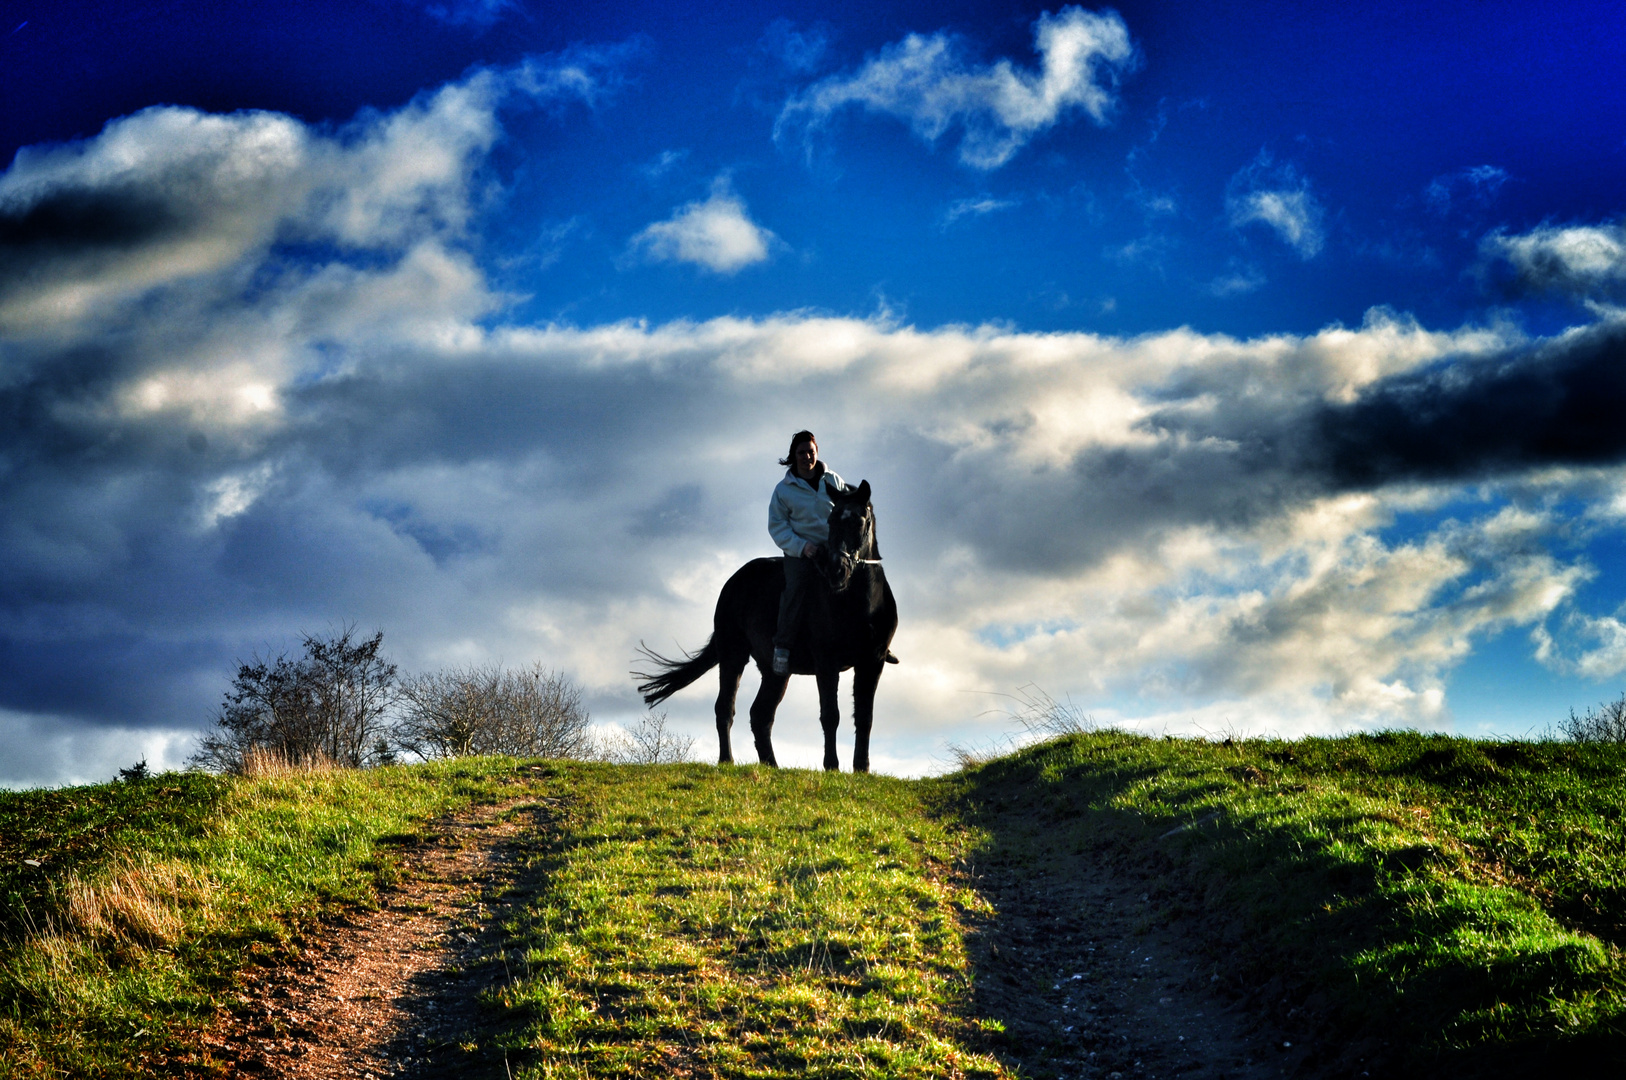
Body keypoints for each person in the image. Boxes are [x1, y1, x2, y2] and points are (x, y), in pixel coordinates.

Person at [767, 430, 845, 676]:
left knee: (863, 579)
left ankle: (875, 642)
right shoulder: (783, 490)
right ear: (794, 456)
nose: (806, 457)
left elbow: (845, 512)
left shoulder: (833, 481)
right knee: (796, 587)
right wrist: (803, 547)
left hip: (833, 549)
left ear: (817, 452)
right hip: (801, 553)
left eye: (810, 451)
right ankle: (783, 647)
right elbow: (777, 526)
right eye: (801, 453)